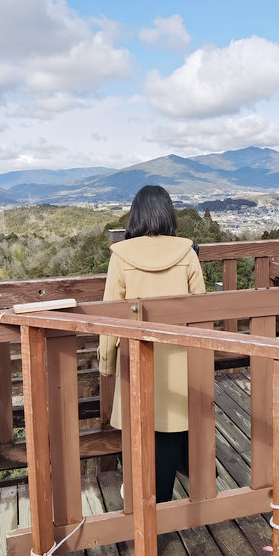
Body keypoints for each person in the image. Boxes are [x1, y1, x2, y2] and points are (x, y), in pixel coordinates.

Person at [98, 185, 205, 503]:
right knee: (171, 433)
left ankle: (136, 494)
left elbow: (109, 317)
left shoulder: (121, 256)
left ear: (136, 216)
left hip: (135, 359)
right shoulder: (187, 253)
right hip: (178, 360)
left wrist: (106, 363)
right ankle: (163, 499)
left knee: (137, 431)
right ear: (168, 214)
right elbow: (202, 310)